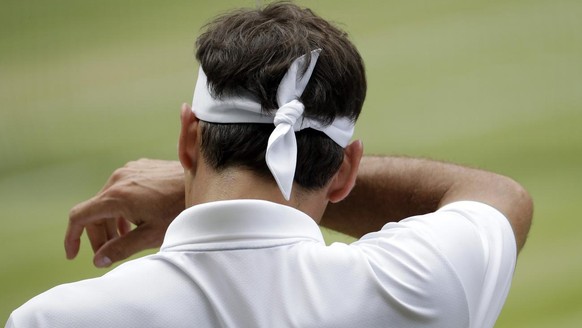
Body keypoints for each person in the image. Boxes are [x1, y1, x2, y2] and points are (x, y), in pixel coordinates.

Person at [7, 2, 532, 328]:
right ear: (346, 169)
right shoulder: (421, 288)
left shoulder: (54, 320)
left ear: (189, 138)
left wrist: (208, 196)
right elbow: (497, 195)